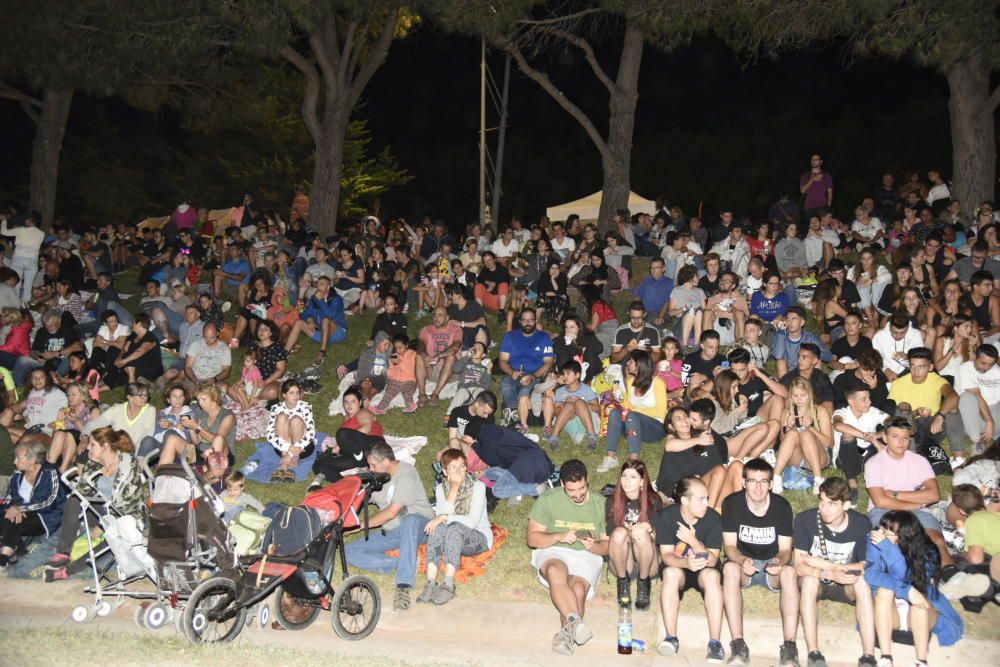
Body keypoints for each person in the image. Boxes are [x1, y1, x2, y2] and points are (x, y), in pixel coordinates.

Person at [721, 459, 799, 667]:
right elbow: (729, 547)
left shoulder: (781, 507)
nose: (757, 487)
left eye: (763, 482)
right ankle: (738, 645)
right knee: (728, 568)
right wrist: (741, 560)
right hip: (743, 565)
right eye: (753, 481)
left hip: (771, 565)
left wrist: (779, 561)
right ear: (744, 482)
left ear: (771, 484)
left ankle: (790, 647)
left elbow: (785, 550)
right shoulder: (732, 503)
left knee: (790, 573)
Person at [526, 458, 607, 655]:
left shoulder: (601, 504)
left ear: (587, 480)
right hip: (553, 550)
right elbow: (532, 539)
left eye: (582, 488)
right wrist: (558, 536)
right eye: (572, 490)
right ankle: (575, 622)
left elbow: (607, 547)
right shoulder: (548, 499)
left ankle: (565, 635)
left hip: (586, 555)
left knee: (578, 588)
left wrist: (593, 545)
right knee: (555, 570)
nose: (578, 494)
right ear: (562, 484)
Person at [43, 427, 146, 581]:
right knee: (74, 500)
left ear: (105, 446)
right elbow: (82, 491)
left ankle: (69, 570)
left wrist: (101, 525)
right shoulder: (94, 462)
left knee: (113, 540)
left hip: (126, 517)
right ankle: (63, 551)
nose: (88, 448)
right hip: (102, 510)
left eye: (92, 445)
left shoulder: (128, 464)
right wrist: (92, 466)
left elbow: (128, 505)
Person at [793, 477, 876, 667]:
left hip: (846, 582)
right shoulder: (805, 520)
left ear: (846, 505)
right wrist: (827, 573)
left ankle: (868, 656)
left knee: (863, 583)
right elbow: (800, 565)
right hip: (819, 580)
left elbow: (865, 565)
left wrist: (831, 566)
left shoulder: (861, 524)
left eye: (832, 504)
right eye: (821, 502)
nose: (824, 508)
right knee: (808, 581)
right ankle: (814, 653)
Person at [865, 510, 963, 667]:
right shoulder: (875, 542)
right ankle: (886, 657)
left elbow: (912, 579)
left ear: (905, 536)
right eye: (881, 528)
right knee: (884, 591)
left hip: (920, 615)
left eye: (887, 532)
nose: (880, 534)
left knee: (919, 604)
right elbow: (871, 575)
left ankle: (922, 660)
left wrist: (889, 550)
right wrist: (907, 591)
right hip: (889, 613)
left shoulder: (927, 551)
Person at [346, 441, 434, 612]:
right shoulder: (379, 477)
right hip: (392, 531)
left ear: (386, 461)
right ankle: (396, 563)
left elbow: (391, 513)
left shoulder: (406, 473)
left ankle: (404, 585)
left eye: (373, 465)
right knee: (349, 552)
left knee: (410, 521)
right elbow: (360, 499)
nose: (370, 469)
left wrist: (360, 525)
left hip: (420, 527)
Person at [864, 416, 953, 571]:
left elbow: (934, 495)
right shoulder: (874, 463)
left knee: (936, 540)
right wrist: (917, 504)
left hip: (916, 510)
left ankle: (951, 576)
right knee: (896, 542)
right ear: (885, 438)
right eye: (895, 437)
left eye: (905, 438)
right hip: (885, 511)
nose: (901, 442)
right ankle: (909, 577)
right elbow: (880, 501)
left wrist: (895, 494)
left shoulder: (919, 461)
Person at [656, 475, 725, 662]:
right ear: (685, 500)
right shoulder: (668, 516)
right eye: (701, 499)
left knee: (712, 577)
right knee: (670, 573)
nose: (706, 503)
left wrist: (693, 541)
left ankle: (715, 643)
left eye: (707, 498)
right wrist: (686, 563)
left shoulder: (713, 519)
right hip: (680, 567)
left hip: (704, 569)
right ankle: (671, 638)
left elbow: (712, 560)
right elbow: (667, 555)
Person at [418, 449, 492, 606]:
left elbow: (472, 521)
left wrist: (444, 517)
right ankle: (431, 583)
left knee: (452, 527)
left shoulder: (478, 487)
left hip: (478, 537)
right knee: (438, 527)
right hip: (452, 535)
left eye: (462, 466)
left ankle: (449, 584)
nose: (459, 470)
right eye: (453, 467)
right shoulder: (440, 489)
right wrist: (454, 488)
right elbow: (441, 518)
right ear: (445, 471)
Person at [886, 347, 965, 466]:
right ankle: (910, 457)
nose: (916, 371)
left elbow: (953, 397)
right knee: (904, 407)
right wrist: (916, 413)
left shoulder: (936, 380)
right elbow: (892, 418)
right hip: (909, 430)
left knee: (952, 408)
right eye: (913, 366)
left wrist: (940, 416)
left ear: (931, 367)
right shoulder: (898, 383)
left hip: (933, 428)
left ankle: (959, 459)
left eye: (921, 367)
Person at [598, 349, 670, 473]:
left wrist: (633, 412)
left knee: (631, 416)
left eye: (630, 361)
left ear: (639, 365)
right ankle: (610, 456)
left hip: (655, 428)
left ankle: (634, 461)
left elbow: (660, 411)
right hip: (634, 426)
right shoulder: (631, 382)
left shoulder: (657, 382)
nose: (627, 364)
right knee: (615, 412)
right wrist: (620, 399)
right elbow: (628, 406)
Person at [606, 460, 661, 610]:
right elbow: (611, 540)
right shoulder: (612, 501)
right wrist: (627, 532)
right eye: (624, 476)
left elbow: (659, 540)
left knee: (642, 534)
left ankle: (643, 584)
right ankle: (623, 583)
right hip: (623, 562)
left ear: (642, 481)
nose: (627, 481)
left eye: (633, 477)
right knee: (618, 533)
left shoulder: (653, 500)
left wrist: (648, 527)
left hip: (648, 563)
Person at [0, 441, 64, 568]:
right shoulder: (17, 475)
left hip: (44, 517)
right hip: (20, 515)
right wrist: (11, 509)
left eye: (19, 458)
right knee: (11, 517)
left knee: (15, 520)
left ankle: (4, 558)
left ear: (33, 459)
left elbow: (51, 501)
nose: (14, 462)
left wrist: (20, 508)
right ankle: (17, 550)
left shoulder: (50, 473)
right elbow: (10, 499)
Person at [309, 385, 385, 488]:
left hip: (372, 445)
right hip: (356, 455)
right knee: (319, 465)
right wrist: (333, 450)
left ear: (359, 402)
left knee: (342, 434)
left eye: (353, 401)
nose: (349, 405)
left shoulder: (364, 412)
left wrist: (340, 445)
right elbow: (345, 443)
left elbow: (365, 430)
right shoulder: (346, 419)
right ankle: (352, 486)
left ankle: (362, 466)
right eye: (346, 402)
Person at [656, 405, 728, 509]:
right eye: (678, 419)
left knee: (736, 466)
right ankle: (709, 515)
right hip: (685, 494)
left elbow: (718, 471)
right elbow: (669, 446)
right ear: (672, 426)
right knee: (720, 470)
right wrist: (698, 440)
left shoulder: (705, 439)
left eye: (686, 416)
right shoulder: (673, 444)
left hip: (710, 491)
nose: (684, 420)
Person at [772, 377, 833, 496]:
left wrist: (810, 428)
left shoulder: (820, 411)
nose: (799, 399)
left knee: (805, 434)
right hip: (797, 458)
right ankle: (776, 477)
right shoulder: (787, 412)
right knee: (792, 434)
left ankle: (818, 479)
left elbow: (828, 443)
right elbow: (782, 442)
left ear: (809, 394)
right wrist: (788, 428)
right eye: (795, 396)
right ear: (791, 396)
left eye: (803, 395)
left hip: (817, 457)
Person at [497, 307, 555, 433]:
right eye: (524, 320)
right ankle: (514, 413)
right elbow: (502, 360)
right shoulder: (511, 336)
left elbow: (549, 361)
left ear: (535, 321)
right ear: (520, 322)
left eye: (531, 320)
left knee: (525, 390)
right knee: (505, 385)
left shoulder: (543, 338)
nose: (527, 323)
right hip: (514, 372)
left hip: (534, 374)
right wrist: (512, 372)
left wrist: (534, 376)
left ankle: (512, 417)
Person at [832, 385, 889, 501]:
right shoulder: (841, 412)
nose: (869, 402)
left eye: (869, 398)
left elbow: (892, 423)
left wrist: (878, 434)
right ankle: (852, 483)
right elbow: (838, 425)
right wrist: (870, 438)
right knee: (848, 435)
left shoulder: (873, 411)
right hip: (845, 457)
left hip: (865, 455)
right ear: (851, 401)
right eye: (864, 399)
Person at [283, 275, 347, 366]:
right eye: (318, 284)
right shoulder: (314, 299)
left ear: (328, 287)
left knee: (325, 320)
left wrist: (320, 300)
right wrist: (310, 321)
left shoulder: (336, 299)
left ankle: (322, 353)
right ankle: (285, 352)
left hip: (337, 333)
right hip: (322, 334)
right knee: (299, 323)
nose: (318, 286)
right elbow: (304, 313)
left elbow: (331, 315)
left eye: (322, 284)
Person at [262, 379, 315, 482]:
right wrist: (288, 448)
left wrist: (291, 453)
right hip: (283, 448)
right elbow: (269, 434)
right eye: (291, 393)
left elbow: (311, 433)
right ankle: (284, 458)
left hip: (303, 448)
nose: (296, 396)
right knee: (281, 417)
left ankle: (289, 460)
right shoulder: (276, 408)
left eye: (297, 393)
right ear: (284, 395)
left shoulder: (305, 407)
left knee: (296, 420)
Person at [954, 344, 1000, 461]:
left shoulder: (996, 371)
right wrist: (989, 421)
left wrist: (992, 421)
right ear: (975, 357)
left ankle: (995, 436)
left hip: (994, 418)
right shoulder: (965, 369)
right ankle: (977, 443)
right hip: (971, 421)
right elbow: (977, 396)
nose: (986, 368)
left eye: (990, 364)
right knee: (967, 397)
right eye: (983, 363)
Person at [540, 360, 599, 451]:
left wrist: (581, 402)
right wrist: (564, 404)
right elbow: (554, 412)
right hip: (567, 420)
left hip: (586, 420)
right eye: (564, 374)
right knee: (568, 405)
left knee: (579, 403)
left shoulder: (586, 389)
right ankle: (554, 438)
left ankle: (592, 437)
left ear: (577, 375)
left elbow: (597, 408)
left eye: (568, 374)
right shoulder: (560, 391)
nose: (565, 377)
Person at [0, 368, 67, 447]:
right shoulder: (32, 393)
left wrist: (59, 423)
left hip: (46, 432)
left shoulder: (55, 392)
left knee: (3, 432)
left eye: (41, 377)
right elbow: (30, 413)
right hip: (30, 430)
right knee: (6, 436)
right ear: (30, 380)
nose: (38, 380)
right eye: (34, 377)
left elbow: (69, 407)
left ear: (47, 379)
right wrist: (21, 417)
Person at [45, 382, 99, 472]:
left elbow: (95, 435)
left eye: (73, 394)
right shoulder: (66, 411)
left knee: (71, 433)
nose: (70, 397)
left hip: (84, 447)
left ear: (83, 396)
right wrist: (59, 421)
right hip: (64, 449)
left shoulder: (93, 411)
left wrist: (76, 422)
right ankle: (49, 467)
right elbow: (55, 436)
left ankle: (63, 469)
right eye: (68, 394)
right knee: (59, 433)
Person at [772, 307, 832, 377]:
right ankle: (785, 386)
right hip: (787, 372)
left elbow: (828, 356)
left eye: (794, 319)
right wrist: (781, 331)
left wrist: (813, 352)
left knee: (816, 361)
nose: (790, 322)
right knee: (780, 362)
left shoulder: (809, 338)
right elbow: (778, 355)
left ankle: (811, 385)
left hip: (805, 371)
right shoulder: (781, 336)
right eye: (788, 319)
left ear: (802, 322)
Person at [371, 334, 419, 414]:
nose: (398, 350)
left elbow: (411, 370)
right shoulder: (394, 356)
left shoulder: (413, 354)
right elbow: (390, 371)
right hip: (395, 380)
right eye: (396, 348)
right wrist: (390, 368)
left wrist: (400, 363)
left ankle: (411, 406)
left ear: (406, 345)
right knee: (388, 393)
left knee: (407, 392)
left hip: (409, 380)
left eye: (400, 347)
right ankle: (380, 408)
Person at [667, 265, 707, 349]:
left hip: (697, 326)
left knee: (699, 312)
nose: (699, 278)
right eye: (697, 276)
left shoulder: (700, 291)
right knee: (689, 312)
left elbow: (704, 311)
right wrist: (684, 309)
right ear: (690, 277)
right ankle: (684, 346)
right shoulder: (677, 291)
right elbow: (670, 313)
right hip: (681, 326)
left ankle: (696, 345)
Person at [634, 257, 674, 329]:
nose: (653, 270)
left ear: (663, 269)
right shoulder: (647, 280)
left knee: (656, 324)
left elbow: (667, 302)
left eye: (657, 268)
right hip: (645, 312)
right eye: (652, 268)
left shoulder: (669, 283)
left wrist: (660, 316)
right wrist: (634, 309)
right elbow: (638, 295)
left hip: (659, 313)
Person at [800, 154, 833, 219]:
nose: (813, 161)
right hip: (810, 207)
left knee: (824, 227)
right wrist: (812, 179)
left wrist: (829, 204)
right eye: (812, 159)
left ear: (821, 162)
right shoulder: (805, 176)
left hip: (823, 206)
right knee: (813, 227)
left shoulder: (826, 175)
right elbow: (802, 191)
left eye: (816, 159)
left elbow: (830, 191)